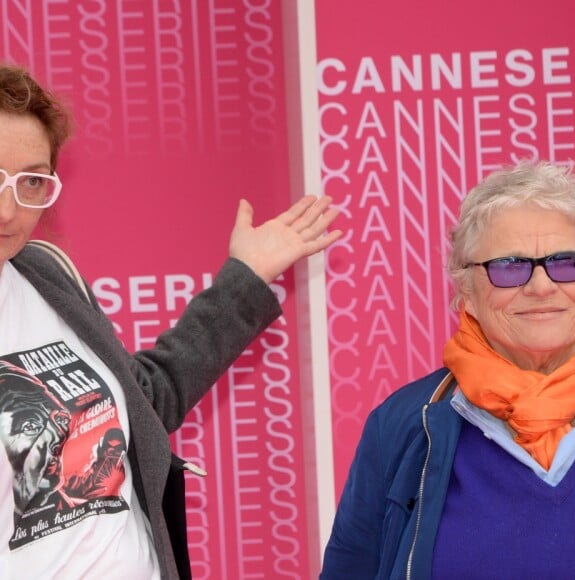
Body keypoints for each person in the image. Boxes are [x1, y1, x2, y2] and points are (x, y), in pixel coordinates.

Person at [0, 62, 341, 579]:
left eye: (32, 182)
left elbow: (147, 401)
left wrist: (246, 278)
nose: (9, 209)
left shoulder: (46, 274)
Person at [320, 159, 575, 579]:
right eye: (509, 266)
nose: (541, 286)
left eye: (567, 262)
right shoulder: (402, 423)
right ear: (466, 292)